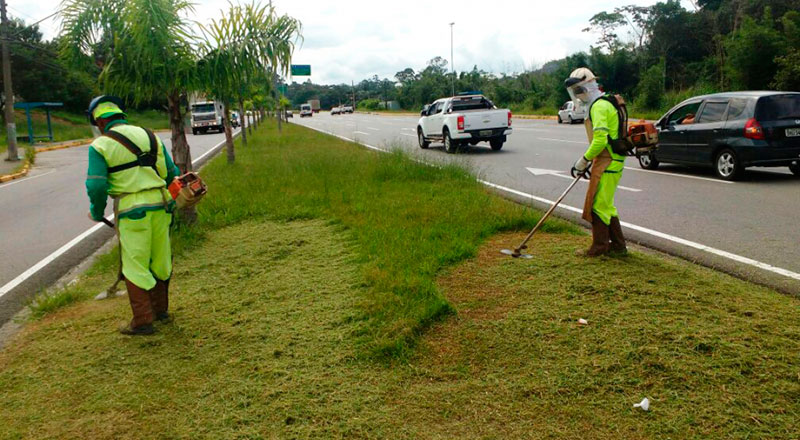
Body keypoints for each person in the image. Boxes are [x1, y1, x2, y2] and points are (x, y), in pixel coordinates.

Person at [85, 96, 180, 335]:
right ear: (121, 116)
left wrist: (97, 211)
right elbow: (171, 173)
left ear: (100, 122)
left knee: (135, 264)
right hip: (162, 205)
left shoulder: (100, 145)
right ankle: (161, 310)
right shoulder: (150, 136)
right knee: (161, 259)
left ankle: (143, 320)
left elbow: (96, 185)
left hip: (132, 210)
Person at [564, 68, 627, 257]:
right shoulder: (605, 101)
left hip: (609, 160)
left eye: (578, 90)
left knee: (598, 206)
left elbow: (600, 140)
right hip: (611, 158)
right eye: (575, 91)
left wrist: (583, 161)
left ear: (587, 86)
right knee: (607, 205)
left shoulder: (599, 106)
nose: (578, 95)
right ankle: (618, 246)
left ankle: (599, 248)